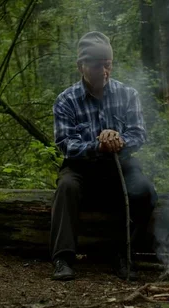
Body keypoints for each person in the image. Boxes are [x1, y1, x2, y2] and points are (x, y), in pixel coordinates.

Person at [50, 31, 157, 281]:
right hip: (80, 167)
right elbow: (66, 144)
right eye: (98, 66)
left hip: (120, 164)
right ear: (81, 66)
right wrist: (97, 145)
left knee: (145, 192)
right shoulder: (66, 100)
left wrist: (119, 141)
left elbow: (138, 134)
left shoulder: (127, 94)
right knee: (66, 187)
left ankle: (123, 253)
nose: (104, 72)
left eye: (107, 65)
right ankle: (63, 258)